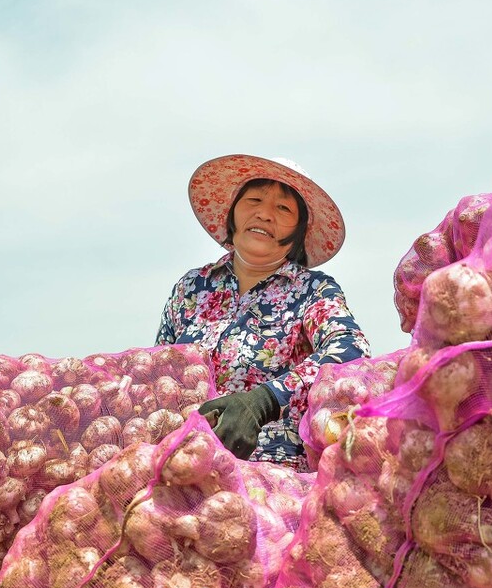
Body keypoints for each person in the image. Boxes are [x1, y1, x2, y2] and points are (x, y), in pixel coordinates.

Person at [157, 154, 371, 470]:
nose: (264, 214)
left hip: (272, 475)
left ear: (298, 231)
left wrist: (264, 401)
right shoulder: (191, 288)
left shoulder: (312, 290)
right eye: (254, 200)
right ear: (231, 215)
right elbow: (157, 374)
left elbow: (351, 351)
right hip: (186, 467)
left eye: (283, 209)